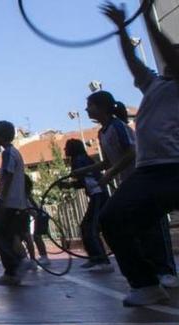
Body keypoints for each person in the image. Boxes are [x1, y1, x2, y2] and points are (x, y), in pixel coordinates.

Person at [98, 1, 179, 306]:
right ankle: (146, 284)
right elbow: (133, 60)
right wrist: (121, 28)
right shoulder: (154, 84)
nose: (170, 59)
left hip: (173, 168)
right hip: (150, 172)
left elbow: (168, 50)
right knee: (113, 218)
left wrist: (146, 16)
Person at [75, 89, 176, 283]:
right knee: (138, 227)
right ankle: (151, 271)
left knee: (154, 225)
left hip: (143, 179)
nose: (87, 110)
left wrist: (109, 175)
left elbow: (131, 152)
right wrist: (84, 171)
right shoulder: (102, 133)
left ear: (102, 107)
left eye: (90, 105)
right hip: (129, 183)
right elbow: (108, 161)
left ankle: (167, 271)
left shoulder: (118, 126)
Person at [0, 120, 34, 286]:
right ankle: (13, 270)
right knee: (7, 234)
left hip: (8, 202)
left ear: (1, 136)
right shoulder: (15, 153)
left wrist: (1, 199)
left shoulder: (8, 154)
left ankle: (15, 264)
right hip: (16, 202)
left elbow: (7, 176)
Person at [62, 138, 113, 272]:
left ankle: (102, 261)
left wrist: (70, 184)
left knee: (90, 227)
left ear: (72, 149)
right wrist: (69, 185)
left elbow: (87, 179)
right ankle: (96, 258)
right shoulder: (83, 158)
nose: (64, 150)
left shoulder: (78, 161)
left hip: (98, 195)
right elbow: (85, 180)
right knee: (88, 226)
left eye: (66, 147)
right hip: (97, 194)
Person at [23, 174, 50, 267]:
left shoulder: (25, 195)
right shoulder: (26, 194)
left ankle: (44, 257)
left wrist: (37, 214)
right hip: (37, 214)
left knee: (37, 236)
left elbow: (32, 206)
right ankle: (43, 256)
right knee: (36, 236)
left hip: (38, 214)